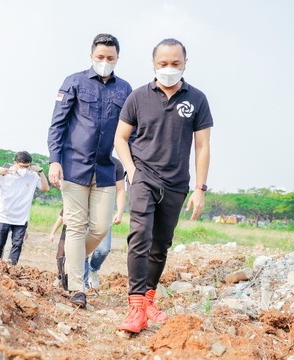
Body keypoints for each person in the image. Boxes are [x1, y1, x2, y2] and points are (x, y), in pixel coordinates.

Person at [114, 38, 213, 333]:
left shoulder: (197, 99)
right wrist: (131, 171)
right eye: (163, 64)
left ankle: (149, 298)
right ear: (154, 64)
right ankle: (135, 308)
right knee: (140, 235)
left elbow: (203, 146)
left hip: (176, 183)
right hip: (143, 175)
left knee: (160, 244)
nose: (169, 69)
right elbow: (120, 138)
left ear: (185, 63)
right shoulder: (137, 97)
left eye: (175, 64)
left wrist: (200, 188)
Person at [47, 33, 132, 308]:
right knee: (75, 227)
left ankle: (68, 263)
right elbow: (57, 124)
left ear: (117, 58)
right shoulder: (74, 82)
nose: (104, 62)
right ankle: (76, 288)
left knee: (99, 228)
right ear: (91, 56)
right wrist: (54, 160)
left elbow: (131, 131)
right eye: (100, 57)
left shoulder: (125, 89)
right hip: (73, 167)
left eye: (110, 58)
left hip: (106, 169)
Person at [49, 156, 126, 291]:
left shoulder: (115, 164)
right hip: (81, 214)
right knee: (78, 244)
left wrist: (119, 212)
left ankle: (92, 269)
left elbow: (120, 190)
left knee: (103, 249)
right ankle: (80, 286)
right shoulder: (80, 159)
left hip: (101, 213)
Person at [0, 151, 49, 265]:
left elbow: (45, 188)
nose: (24, 169)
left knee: (17, 245)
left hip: (21, 218)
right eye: (22, 166)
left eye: (27, 166)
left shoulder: (32, 175)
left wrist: (41, 172)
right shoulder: (5, 174)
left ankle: (11, 268)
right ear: (15, 163)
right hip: (4, 215)